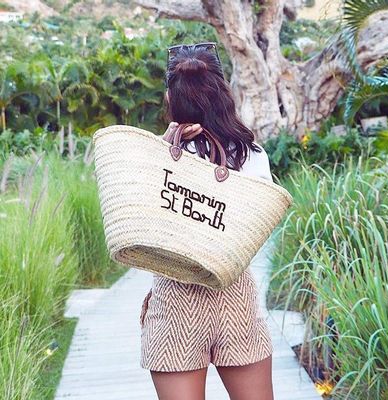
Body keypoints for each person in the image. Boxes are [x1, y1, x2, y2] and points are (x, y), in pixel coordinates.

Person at [140, 42, 275, 400]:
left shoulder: (153, 155)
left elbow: (140, 225)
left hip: (175, 299)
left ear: (171, 98)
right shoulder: (251, 155)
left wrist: (167, 157)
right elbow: (259, 227)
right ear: (223, 92)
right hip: (234, 295)